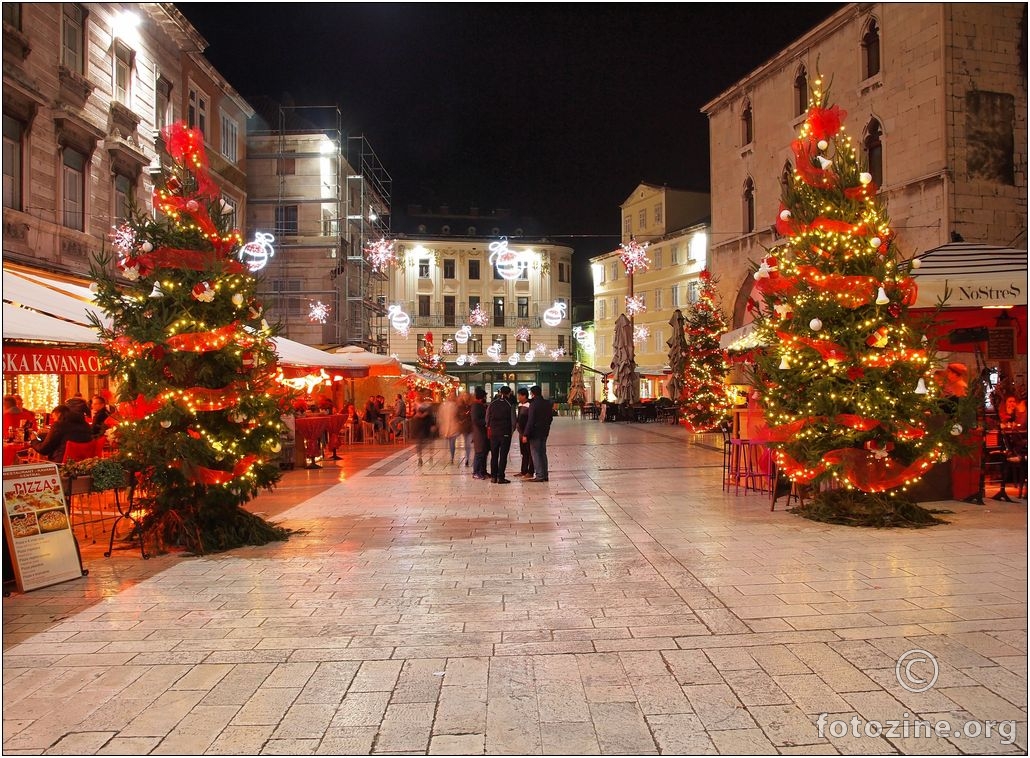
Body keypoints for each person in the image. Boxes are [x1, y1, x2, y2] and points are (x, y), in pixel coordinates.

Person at [522, 385, 553, 482]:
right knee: (543, 453)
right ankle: (545, 475)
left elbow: (530, 421)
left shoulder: (534, 404)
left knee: (535, 454)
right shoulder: (547, 403)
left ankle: (539, 475)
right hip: (544, 432)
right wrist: (546, 426)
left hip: (535, 433)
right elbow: (550, 418)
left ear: (532, 394)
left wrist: (526, 434)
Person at [486, 386, 516, 483]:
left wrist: (490, 426)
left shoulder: (492, 403)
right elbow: (513, 421)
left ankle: (493, 477)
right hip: (505, 433)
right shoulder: (510, 404)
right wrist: (511, 431)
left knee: (494, 455)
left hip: (494, 433)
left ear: (500, 392)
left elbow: (487, 418)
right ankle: (501, 477)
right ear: (509, 393)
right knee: (503, 456)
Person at [514, 388, 535, 479]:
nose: (518, 397)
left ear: (524, 396)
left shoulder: (529, 405)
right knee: (524, 452)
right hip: (521, 433)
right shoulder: (520, 405)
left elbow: (529, 420)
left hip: (527, 433)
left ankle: (530, 471)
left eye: (519, 395)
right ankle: (523, 470)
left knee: (529, 452)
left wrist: (526, 433)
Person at [409, 396, 436, 466]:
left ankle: (427, 456)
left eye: (416, 400)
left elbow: (429, 416)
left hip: (425, 427)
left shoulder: (427, 407)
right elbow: (414, 416)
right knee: (421, 443)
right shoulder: (417, 408)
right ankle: (421, 458)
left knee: (425, 443)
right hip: (421, 427)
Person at [437, 391, 461, 463]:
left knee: (451, 443)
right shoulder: (445, 405)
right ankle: (450, 457)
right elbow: (440, 416)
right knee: (449, 443)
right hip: (448, 426)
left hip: (452, 427)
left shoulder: (455, 405)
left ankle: (451, 457)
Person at [470, 387, 489, 480]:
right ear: (482, 397)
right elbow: (475, 419)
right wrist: (485, 422)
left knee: (484, 452)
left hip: (483, 433)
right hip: (479, 433)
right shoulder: (476, 406)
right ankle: (476, 472)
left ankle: (483, 471)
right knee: (479, 453)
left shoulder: (480, 405)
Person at [456, 392, 474, 465]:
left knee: (468, 443)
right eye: (464, 396)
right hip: (463, 427)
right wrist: (459, 421)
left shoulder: (472, 405)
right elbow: (456, 415)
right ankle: (467, 457)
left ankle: (467, 458)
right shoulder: (460, 406)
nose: (465, 398)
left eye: (466, 396)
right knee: (466, 442)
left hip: (470, 427)